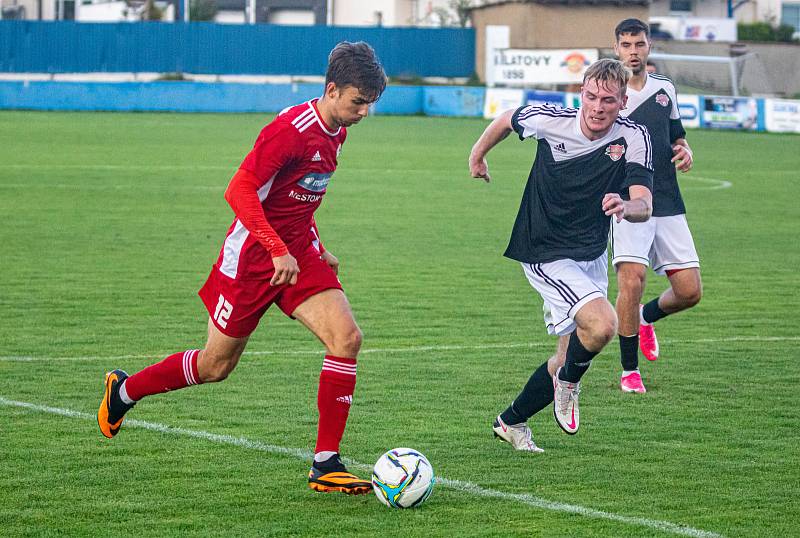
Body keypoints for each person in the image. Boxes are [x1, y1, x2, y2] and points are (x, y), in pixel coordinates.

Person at [97, 41, 387, 495]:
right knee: (216, 366)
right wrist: (275, 248)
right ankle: (124, 391)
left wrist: (316, 247)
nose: (364, 112)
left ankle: (325, 463)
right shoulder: (288, 131)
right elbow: (239, 190)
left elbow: (297, 198)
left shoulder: (338, 133)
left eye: (370, 104)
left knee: (346, 337)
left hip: (297, 254)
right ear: (332, 90)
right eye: (358, 102)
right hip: (253, 259)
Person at [469, 59, 653, 451]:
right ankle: (569, 382)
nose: (597, 107)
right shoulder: (549, 120)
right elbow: (505, 120)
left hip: (589, 254)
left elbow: (645, 204)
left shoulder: (634, 137)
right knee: (602, 325)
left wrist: (625, 204)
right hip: (543, 249)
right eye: (591, 96)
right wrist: (477, 155)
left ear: (622, 102)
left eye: (608, 100)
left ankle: (511, 422)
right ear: (580, 94)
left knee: (567, 354)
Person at [612, 18, 702, 394]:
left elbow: (676, 136)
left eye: (640, 44)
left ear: (649, 47)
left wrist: (684, 149)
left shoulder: (665, 89)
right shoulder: (607, 92)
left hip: (667, 198)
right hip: (628, 201)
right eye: (627, 45)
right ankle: (629, 370)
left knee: (689, 291)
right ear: (616, 48)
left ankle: (646, 319)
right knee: (632, 281)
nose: (634, 51)